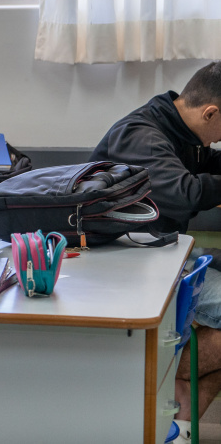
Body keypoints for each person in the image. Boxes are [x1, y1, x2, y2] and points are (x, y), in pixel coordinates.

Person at [89, 60, 221, 440]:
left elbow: (209, 165)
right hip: (132, 262)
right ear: (211, 112)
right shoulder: (140, 134)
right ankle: (169, 365)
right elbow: (185, 194)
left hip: (166, 254)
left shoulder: (182, 132)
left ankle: (178, 426)